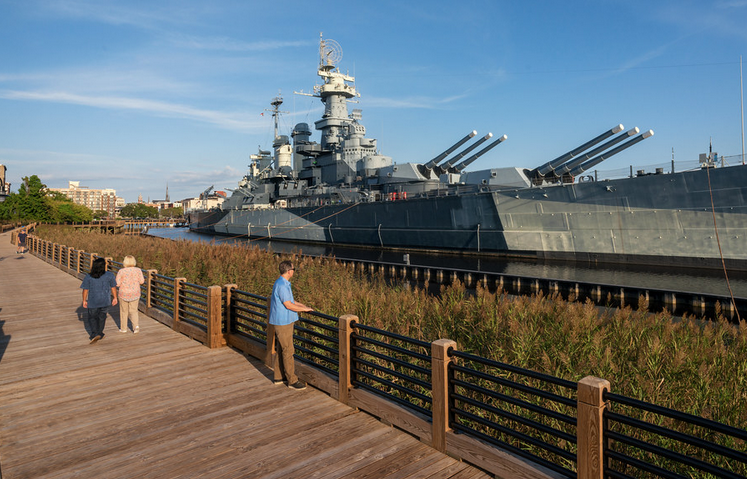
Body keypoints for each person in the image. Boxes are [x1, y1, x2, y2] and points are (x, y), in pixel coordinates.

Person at [268, 260, 313, 390]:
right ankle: (292, 381)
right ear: (289, 271)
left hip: (283, 321)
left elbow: (291, 301)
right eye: (294, 269)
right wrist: (304, 310)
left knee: (282, 348)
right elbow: (288, 305)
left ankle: (278, 376)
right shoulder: (282, 285)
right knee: (288, 350)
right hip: (283, 322)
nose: (294, 271)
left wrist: (304, 306)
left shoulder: (283, 283)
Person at [81, 257, 118, 344]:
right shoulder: (109, 275)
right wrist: (115, 298)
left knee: (92, 318)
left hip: (93, 301)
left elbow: (85, 290)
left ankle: (94, 333)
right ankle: (100, 332)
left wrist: (84, 300)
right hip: (105, 301)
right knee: (102, 317)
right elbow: (113, 287)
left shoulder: (89, 276)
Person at [116, 255, 145, 334]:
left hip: (123, 293)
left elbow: (117, 284)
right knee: (134, 310)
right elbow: (142, 281)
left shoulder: (121, 271)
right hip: (135, 293)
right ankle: (136, 326)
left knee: (123, 311)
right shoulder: (138, 270)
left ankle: (123, 328)